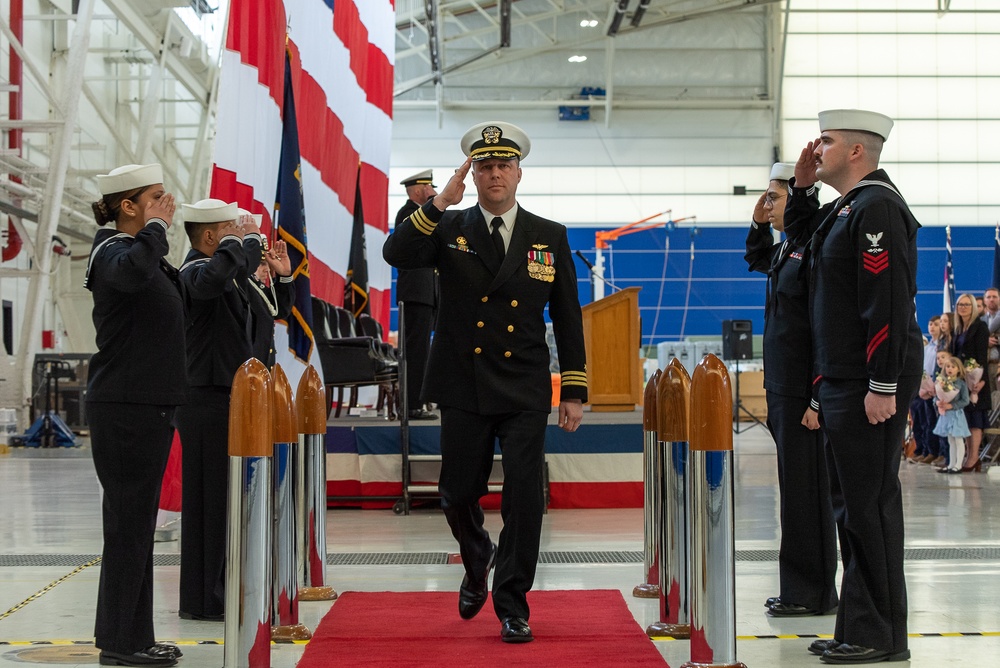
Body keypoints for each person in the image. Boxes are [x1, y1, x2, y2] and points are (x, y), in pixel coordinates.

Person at [382, 122, 588, 644]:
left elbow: (567, 315)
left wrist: (575, 389)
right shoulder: (448, 227)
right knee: (455, 493)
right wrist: (436, 204)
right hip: (463, 382)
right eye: (484, 166)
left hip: (522, 382)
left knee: (523, 497)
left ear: (519, 172)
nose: (495, 174)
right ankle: (478, 560)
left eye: (503, 165)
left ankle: (512, 603)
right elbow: (396, 254)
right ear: (471, 174)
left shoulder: (549, 234)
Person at [784, 109, 922, 664]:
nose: (817, 148)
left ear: (858, 152)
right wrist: (800, 186)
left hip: (867, 380)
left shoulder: (877, 207)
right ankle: (859, 627)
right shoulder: (845, 209)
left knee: (869, 508)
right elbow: (796, 244)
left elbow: (885, 300)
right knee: (851, 508)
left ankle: (880, 635)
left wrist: (883, 384)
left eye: (828, 141)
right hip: (842, 378)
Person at [85, 164, 184, 667]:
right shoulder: (112, 252)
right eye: (155, 198)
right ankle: (120, 643)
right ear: (128, 206)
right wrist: (158, 229)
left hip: (146, 405)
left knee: (138, 527)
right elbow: (133, 273)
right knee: (128, 527)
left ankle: (134, 636)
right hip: (125, 408)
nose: (167, 205)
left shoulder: (138, 251)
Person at [744, 162, 838, 618]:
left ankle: (812, 593)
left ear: (800, 200)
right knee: (794, 494)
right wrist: (757, 223)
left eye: (774, 198)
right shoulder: (788, 249)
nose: (767, 204)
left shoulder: (815, 246)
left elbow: (824, 329)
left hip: (804, 396)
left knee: (807, 496)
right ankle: (799, 587)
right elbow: (756, 259)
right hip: (783, 390)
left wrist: (817, 399)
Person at [175, 199, 262, 621]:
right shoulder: (193, 270)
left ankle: (209, 594)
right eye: (225, 230)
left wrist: (250, 241)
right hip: (205, 398)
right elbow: (214, 280)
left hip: (219, 396)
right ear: (209, 236)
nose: (234, 236)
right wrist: (236, 241)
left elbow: (238, 274)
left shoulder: (218, 270)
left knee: (220, 501)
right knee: (209, 503)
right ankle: (208, 597)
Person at [394, 170, 440, 420]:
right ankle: (412, 405)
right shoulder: (407, 213)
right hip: (416, 293)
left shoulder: (420, 211)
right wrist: (435, 202)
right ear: (418, 190)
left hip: (428, 292)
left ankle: (427, 399)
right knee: (416, 351)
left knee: (429, 350)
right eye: (429, 187)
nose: (432, 190)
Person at [239, 210, 294, 366]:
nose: (267, 270)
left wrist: (284, 275)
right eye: (260, 263)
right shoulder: (239, 283)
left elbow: (279, 309)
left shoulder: (254, 286)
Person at [950, 294, 990, 471]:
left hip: (976, 380)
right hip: (960, 381)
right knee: (965, 420)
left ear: (973, 307)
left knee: (975, 420)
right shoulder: (957, 328)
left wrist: (981, 380)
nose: (963, 307)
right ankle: (966, 456)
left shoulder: (980, 327)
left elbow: (982, 356)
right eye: (960, 304)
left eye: (966, 304)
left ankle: (974, 458)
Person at [932, 355, 971, 474]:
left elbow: (965, 400)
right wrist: (938, 402)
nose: (950, 369)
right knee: (951, 440)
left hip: (956, 415)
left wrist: (952, 405)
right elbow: (936, 397)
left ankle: (958, 465)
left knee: (958, 440)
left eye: (953, 367)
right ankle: (951, 464)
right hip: (947, 415)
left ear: (958, 369)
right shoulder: (942, 382)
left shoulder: (961, 384)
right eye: (948, 366)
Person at [980, 287, 1000, 394]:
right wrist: (984, 342)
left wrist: (997, 340)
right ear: (984, 300)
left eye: (994, 297)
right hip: (985, 365)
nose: (991, 299)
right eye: (988, 297)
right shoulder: (979, 320)